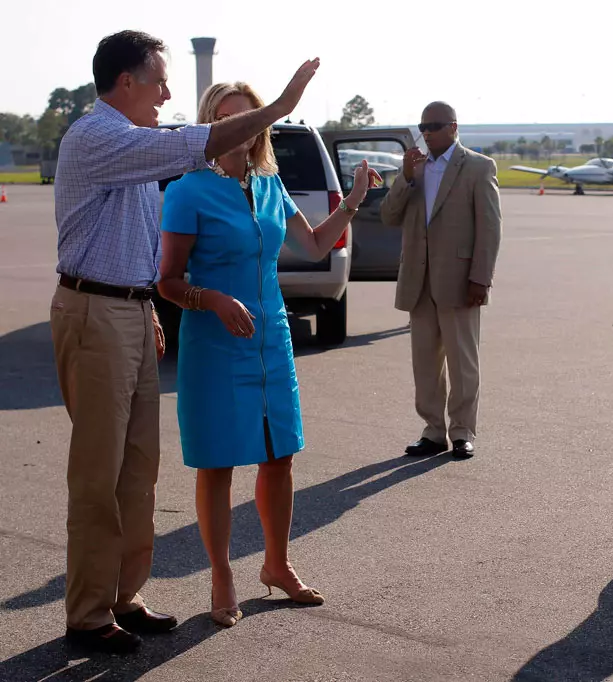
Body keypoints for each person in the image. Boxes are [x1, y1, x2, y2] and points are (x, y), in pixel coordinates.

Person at [51, 29, 320, 653]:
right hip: (93, 311)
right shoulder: (98, 137)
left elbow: (147, 243)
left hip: (128, 309)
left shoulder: (139, 151)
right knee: (99, 471)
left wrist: (146, 301)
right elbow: (197, 145)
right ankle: (90, 614)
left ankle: (125, 596)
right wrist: (276, 109)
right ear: (126, 83)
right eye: (158, 81)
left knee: (138, 469)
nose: (168, 93)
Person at [157, 82, 381, 627]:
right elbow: (166, 281)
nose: (244, 127)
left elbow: (313, 246)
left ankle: (276, 565)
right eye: (231, 118)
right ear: (211, 124)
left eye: (252, 118)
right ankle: (221, 575)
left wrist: (352, 199)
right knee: (216, 462)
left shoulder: (269, 182)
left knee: (278, 455)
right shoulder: (187, 190)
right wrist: (209, 299)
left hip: (271, 336)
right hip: (214, 341)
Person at [380, 102, 502, 459]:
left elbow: (490, 228)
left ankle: (462, 431)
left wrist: (481, 277)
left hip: (461, 281)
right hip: (419, 281)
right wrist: (405, 177)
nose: (427, 132)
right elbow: (389, 216)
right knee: (425, 363)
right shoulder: (414, 170)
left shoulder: (478, 167)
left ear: (453, 127)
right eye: (422, 126)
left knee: (463, 363)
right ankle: (433, 432)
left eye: (434, 125)